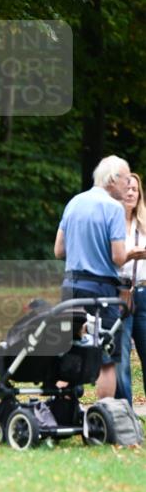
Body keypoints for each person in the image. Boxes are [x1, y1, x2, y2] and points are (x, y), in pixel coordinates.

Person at [54, 155, 129, 399]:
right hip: (101, 291)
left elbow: (59, 251)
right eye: (126, 179)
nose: (128, 185)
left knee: (70, 350)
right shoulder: (113, 208)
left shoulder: (74, 202)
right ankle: (104, 416)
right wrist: (136, 253)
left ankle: (60, 412)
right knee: (107, 357)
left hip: (71, 288)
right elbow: (118, 257)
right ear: (113, 179)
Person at [115, 173, 146, 405]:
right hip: (120, 293)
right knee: (121, 356)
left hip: (144, 293)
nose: (131, 193)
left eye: (134, 189)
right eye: (127, 188)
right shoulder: (111, 223)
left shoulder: (144, 223)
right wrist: (130, 255)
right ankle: (124, 411)